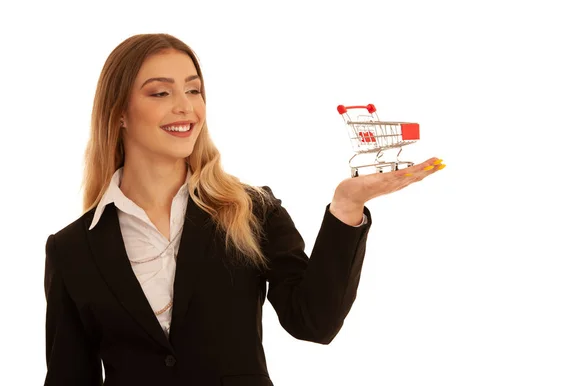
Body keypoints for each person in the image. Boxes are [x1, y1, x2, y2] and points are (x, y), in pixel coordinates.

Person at [43, 33, 445, 386]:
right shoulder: (73, 249)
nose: (186, 107)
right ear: (119, 114)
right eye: (161, 93)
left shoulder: (251, 210)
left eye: (194, 90)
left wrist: (347, 206)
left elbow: (314, 322)